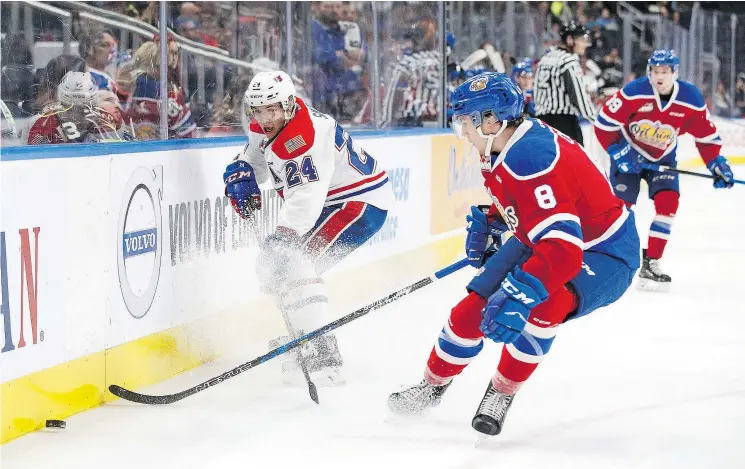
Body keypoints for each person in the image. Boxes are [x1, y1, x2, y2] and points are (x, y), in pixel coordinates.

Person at [388, 72, 640, 436]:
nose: (463, 133)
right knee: (470, 311)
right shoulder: (501, 145)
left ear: (491, 119)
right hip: (547, 238)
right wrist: (493, 219)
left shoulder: (532, 158)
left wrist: (522, 294)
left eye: (465, 123)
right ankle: (431, 387)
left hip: (605, 250)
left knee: (543, 306)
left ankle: (501, 391)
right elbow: (532, 207)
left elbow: (563, 251)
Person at [223, 71, 393, 385]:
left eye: (270, 109)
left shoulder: (304, 137)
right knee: (284, 272)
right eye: (257, 110)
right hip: (333, 201)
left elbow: (306, 196)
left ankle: (323, 353)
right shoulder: (276, 120)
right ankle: (304, 338)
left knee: (294, 266)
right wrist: (242, 168)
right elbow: (257, 153)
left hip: (358, 202)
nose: (264, 117)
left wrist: (283, 240)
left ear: (288, 104)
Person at [594, 49, 735, 291]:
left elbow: (706, 137)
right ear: (649, 72)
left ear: (674, 74)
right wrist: (619, 153)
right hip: (628, 155)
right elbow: (604, 123)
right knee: (621, 210)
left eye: (665, 72)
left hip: (663, 159)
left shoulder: (690, 98)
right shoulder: (634, 92)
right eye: (655, 71)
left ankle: (652, 262)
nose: (659, 77)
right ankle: (607, 258)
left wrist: (716, 164)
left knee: (668, 205)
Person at [27, 70, 131, 144]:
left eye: (86, 108)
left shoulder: (111, 120)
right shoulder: (42, 126)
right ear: (61, 105)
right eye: (72, 108)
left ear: (95, 105)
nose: (78, 116)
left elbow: (130, 153)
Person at [534, 21, 596, 144]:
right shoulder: (569, 62)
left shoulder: (545, 58)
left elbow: (537, 94)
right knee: (576, 162)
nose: (585, 44)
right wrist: (597, 119)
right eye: (582, 39)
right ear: (569, 40)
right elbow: (579, 97)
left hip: (541, 124)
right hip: (564, 125)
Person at [124, 39, 195, 140]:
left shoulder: (131, 79)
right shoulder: (150, 84)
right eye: (171, 53)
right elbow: (183, 124)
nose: (173, 59)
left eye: (176, 53)